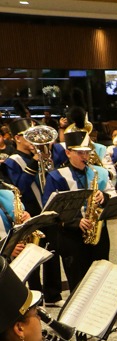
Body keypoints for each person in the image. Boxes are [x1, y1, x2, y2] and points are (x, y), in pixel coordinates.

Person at [42, 130, 114, 292]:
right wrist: (74, 221)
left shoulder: (99, 172)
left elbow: (114, 196)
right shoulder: (56, 177)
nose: (85, 157)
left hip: (99, 234)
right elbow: (49, 209)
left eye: (87, 153)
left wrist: (104, 196)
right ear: (68, 153)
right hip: (71, 237)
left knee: (101, 277)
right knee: (79, 282)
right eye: (80, 153)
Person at [2, 118, 63, 306]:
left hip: (47, 209)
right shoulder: (12, 161)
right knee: (33, 255)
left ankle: (54, 294)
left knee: (52, 251)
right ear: (18, 138)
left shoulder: (41, 154)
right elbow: (18, 187)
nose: (34, 140)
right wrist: (34, 164)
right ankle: (35, 294)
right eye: (30, 136)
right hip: (29, 212)